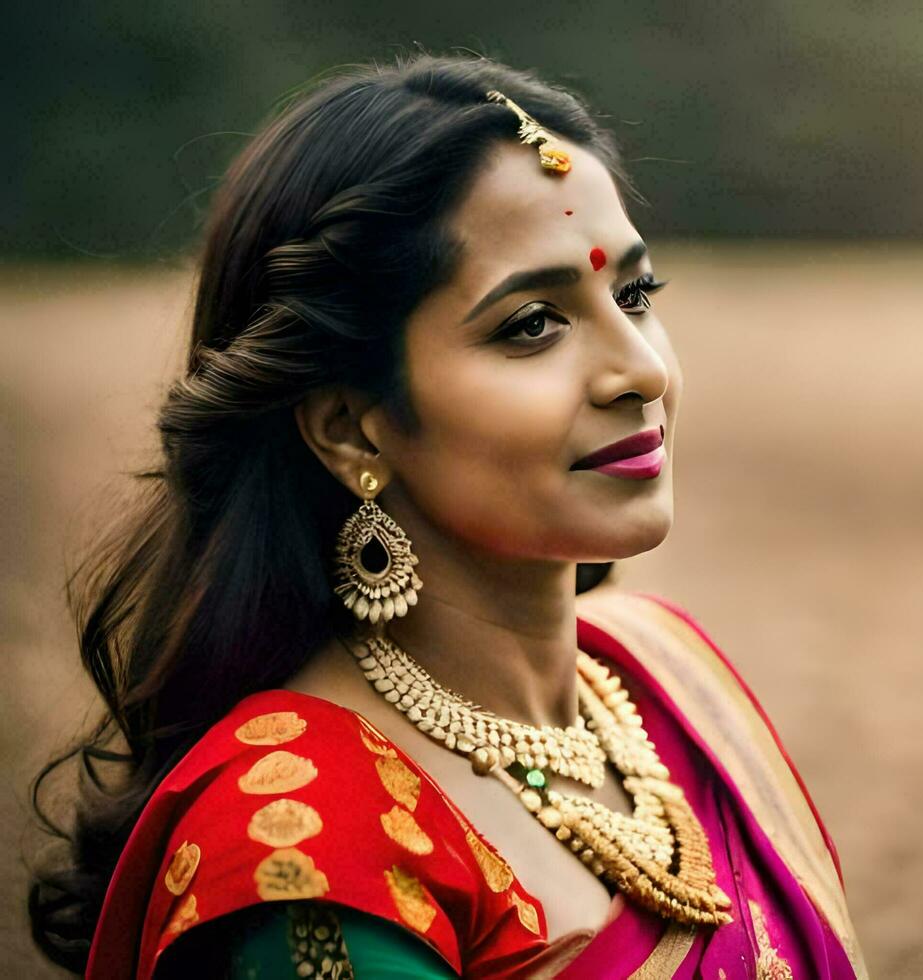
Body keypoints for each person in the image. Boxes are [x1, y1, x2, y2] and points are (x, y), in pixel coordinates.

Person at [28, 54, 866, 979]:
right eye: (532, 326)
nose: (643, 372)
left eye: (635, 295)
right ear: (351, 427)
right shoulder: (306, 838)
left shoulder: (669, 684)